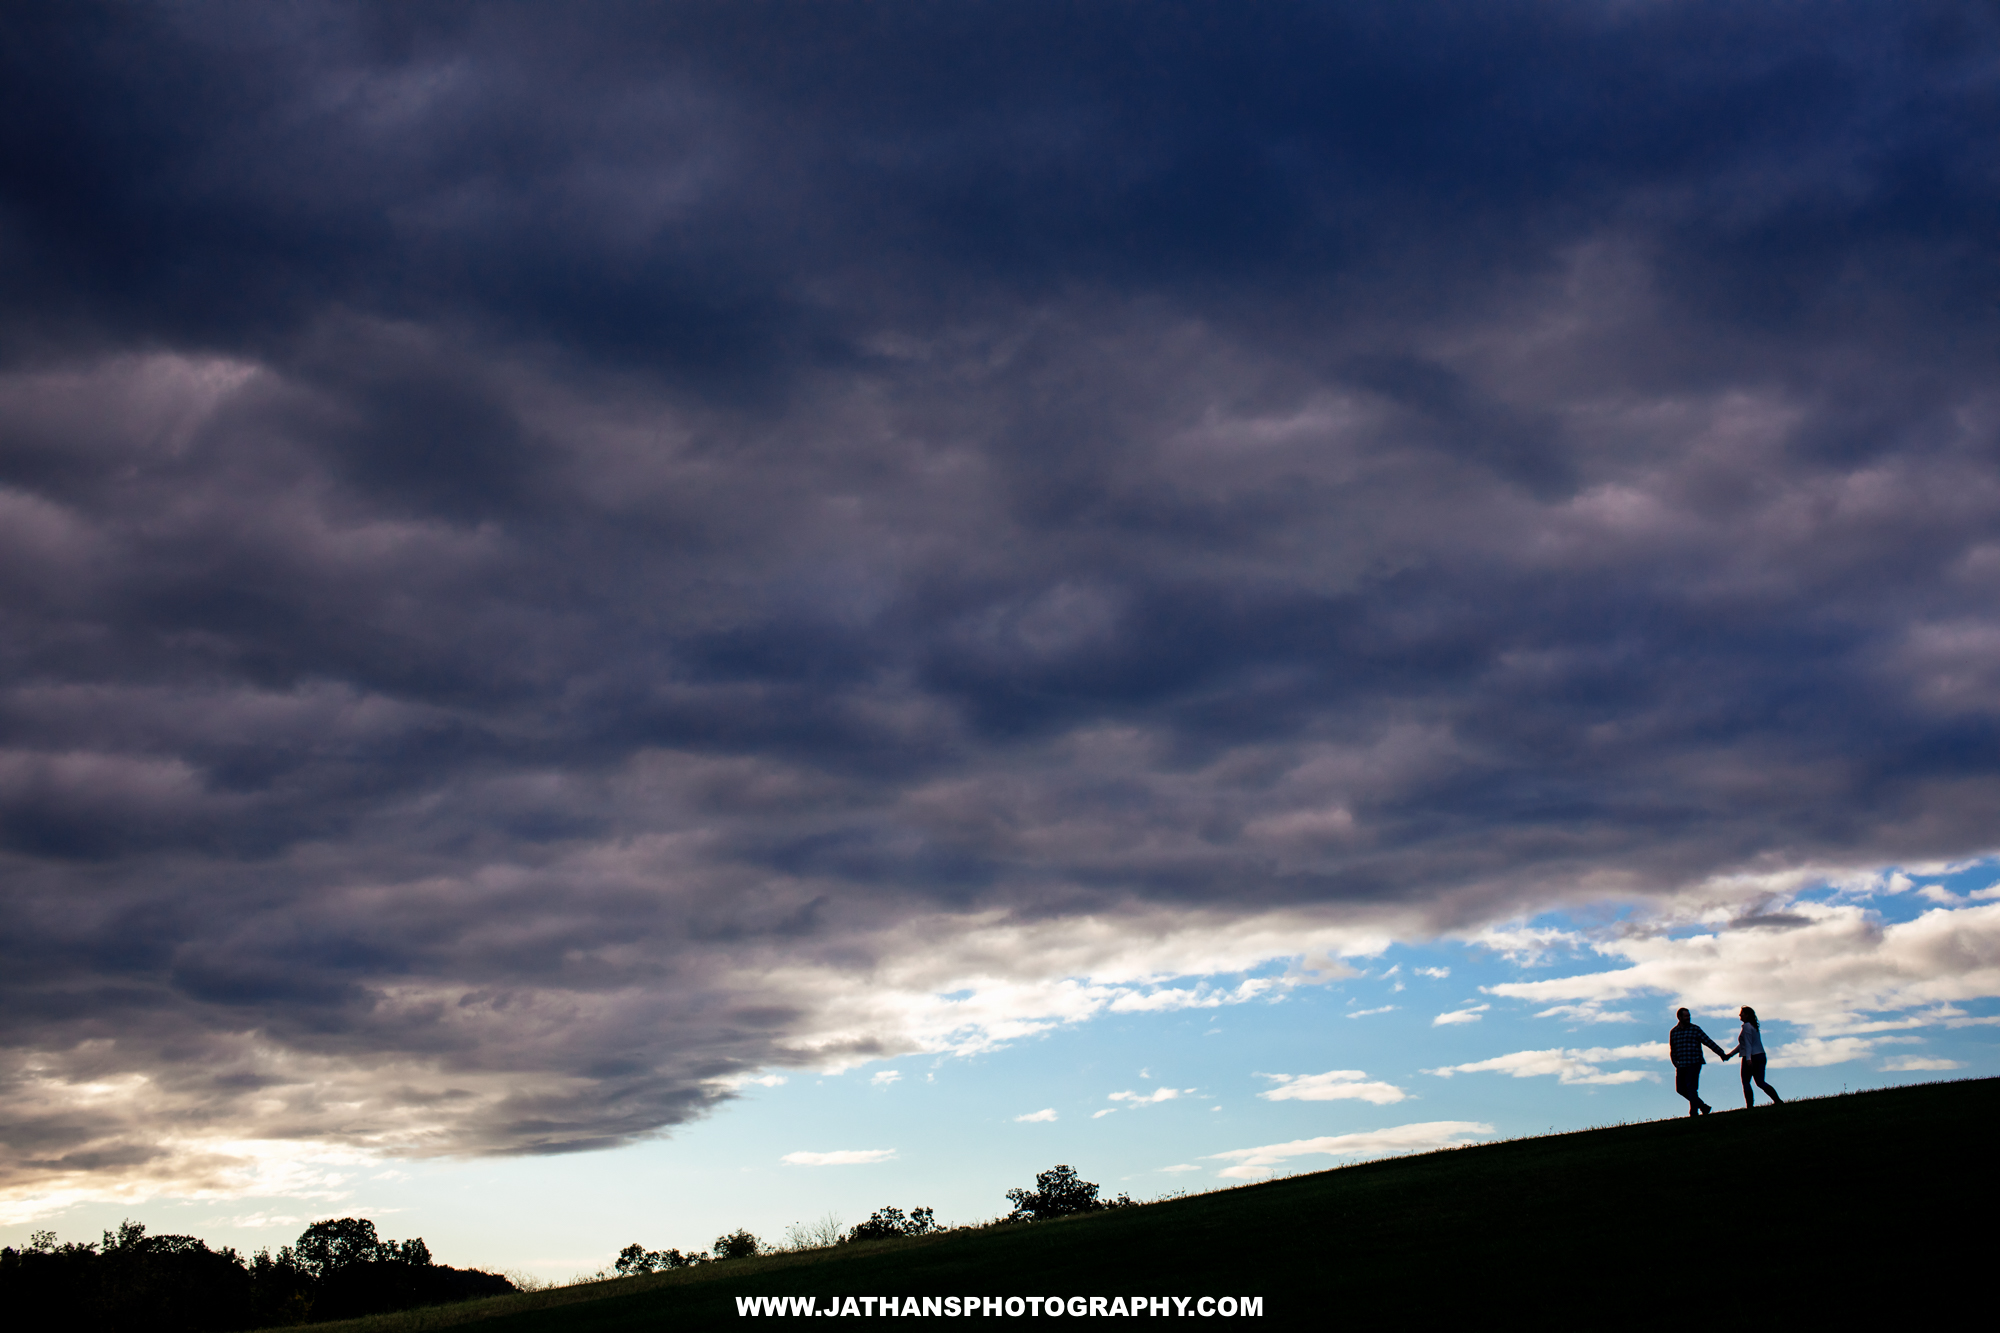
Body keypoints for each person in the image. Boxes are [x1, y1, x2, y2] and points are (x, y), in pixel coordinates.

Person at [1668, 1007, 1727, 1117]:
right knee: (1680, 1089)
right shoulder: (1673, 1032)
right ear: (1679, 1017)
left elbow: (1708, 1042)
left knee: (1691, 1088)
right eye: (1686, 1016)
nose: (1688, 1018)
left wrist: (1721, 1053)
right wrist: (1675, 1062)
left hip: (1694, 1063)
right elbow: (1673, 1049)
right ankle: (1703, 1107)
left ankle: (1694, 1112)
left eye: (1689, 1015)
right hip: (1681, 1065)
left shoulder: (1695, 1029)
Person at [1721, 1005, 1784, 1107]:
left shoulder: (1746, 1027)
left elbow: (1747, 1044)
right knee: (1760, 1082)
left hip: (1751, 1057)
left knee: (1746, 1082)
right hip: (1760, 1055)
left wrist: (1749, 1059)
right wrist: (1730, 1055)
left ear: (1747, 1015)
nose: (1739, 1015)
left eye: (1742, 1013)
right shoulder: (1753, 1026)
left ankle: (1750, 1106)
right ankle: (1777, 1100)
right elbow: (1744, 1044)